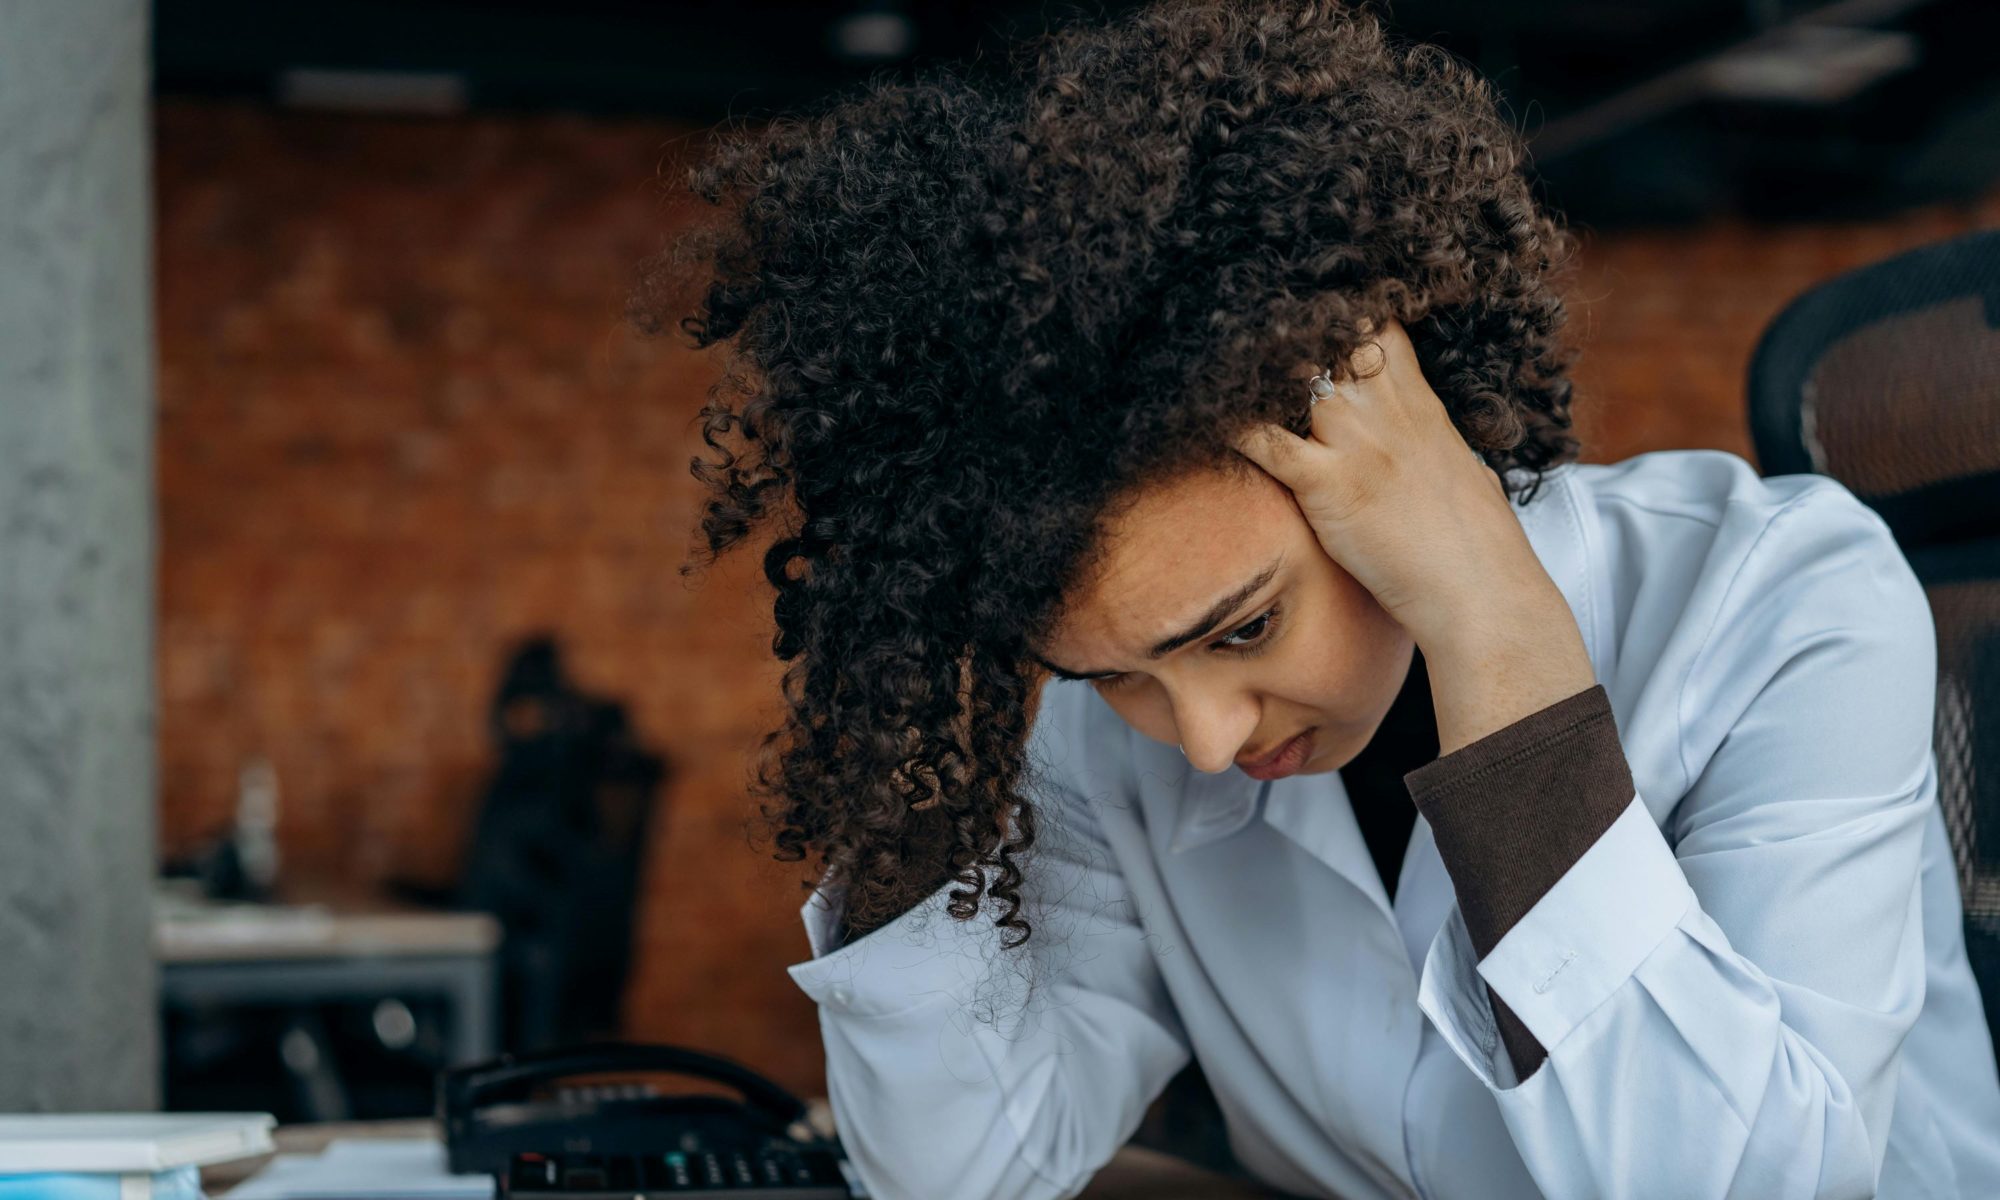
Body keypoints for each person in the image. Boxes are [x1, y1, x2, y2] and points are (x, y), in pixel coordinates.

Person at [641, 1, 2000, 1196]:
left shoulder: (1778, 599)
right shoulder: (1121, 730)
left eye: (1245, 628)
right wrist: (906, 756)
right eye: (1108, 671)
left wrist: (1490, 612)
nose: (1204, 740)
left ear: (1399, 440)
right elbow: (960, 1172)